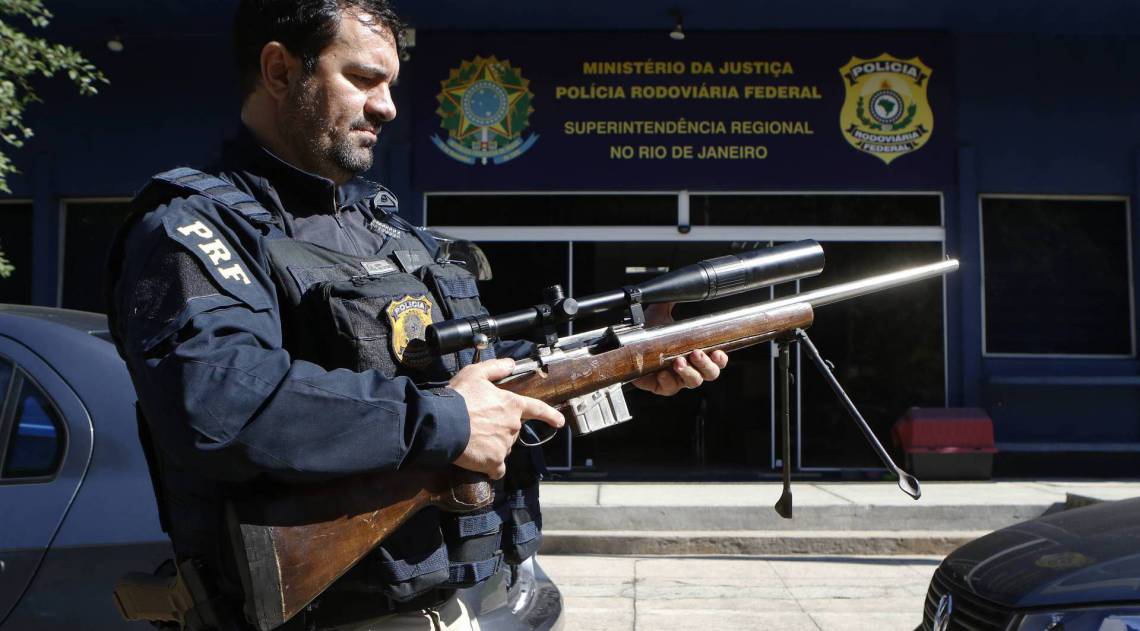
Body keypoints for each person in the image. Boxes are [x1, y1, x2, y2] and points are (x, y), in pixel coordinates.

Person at [106, 1, 728, 629]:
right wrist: (447, 418)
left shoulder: (387, 233)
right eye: (363, 79)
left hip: (464, 601)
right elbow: (220, 404)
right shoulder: (192, 230)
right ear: (278, 70)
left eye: (390, 85)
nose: (387, 106)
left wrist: (625, 363)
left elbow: (487, 385)